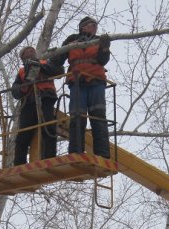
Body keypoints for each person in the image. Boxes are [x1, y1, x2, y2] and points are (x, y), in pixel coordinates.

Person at [52, 17, 111, 158]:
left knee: (98, 117)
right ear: (83, 27)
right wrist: (57, 52)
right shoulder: (72, 40)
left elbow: (103, 60)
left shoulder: (99, 40)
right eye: (92, 25)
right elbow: (57, 60)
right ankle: (76, 151)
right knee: (77, 117)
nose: (95, 27)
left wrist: (105, 47)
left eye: (96, 25)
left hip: (96, 82)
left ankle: (102, 154)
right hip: (77, 83)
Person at [11, 46, 64, 166]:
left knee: (48, 126)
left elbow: (59, 71)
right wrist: (24, 87)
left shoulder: (45, 63)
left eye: (32, 50)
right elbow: (15, 91)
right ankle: (19, 163)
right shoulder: (21, 72)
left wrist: (40, 66)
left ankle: (49, 158)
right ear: (23, 57)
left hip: (45, 98)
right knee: (24, 133)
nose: (32, 51)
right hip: (29, 103)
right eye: (28, 51)